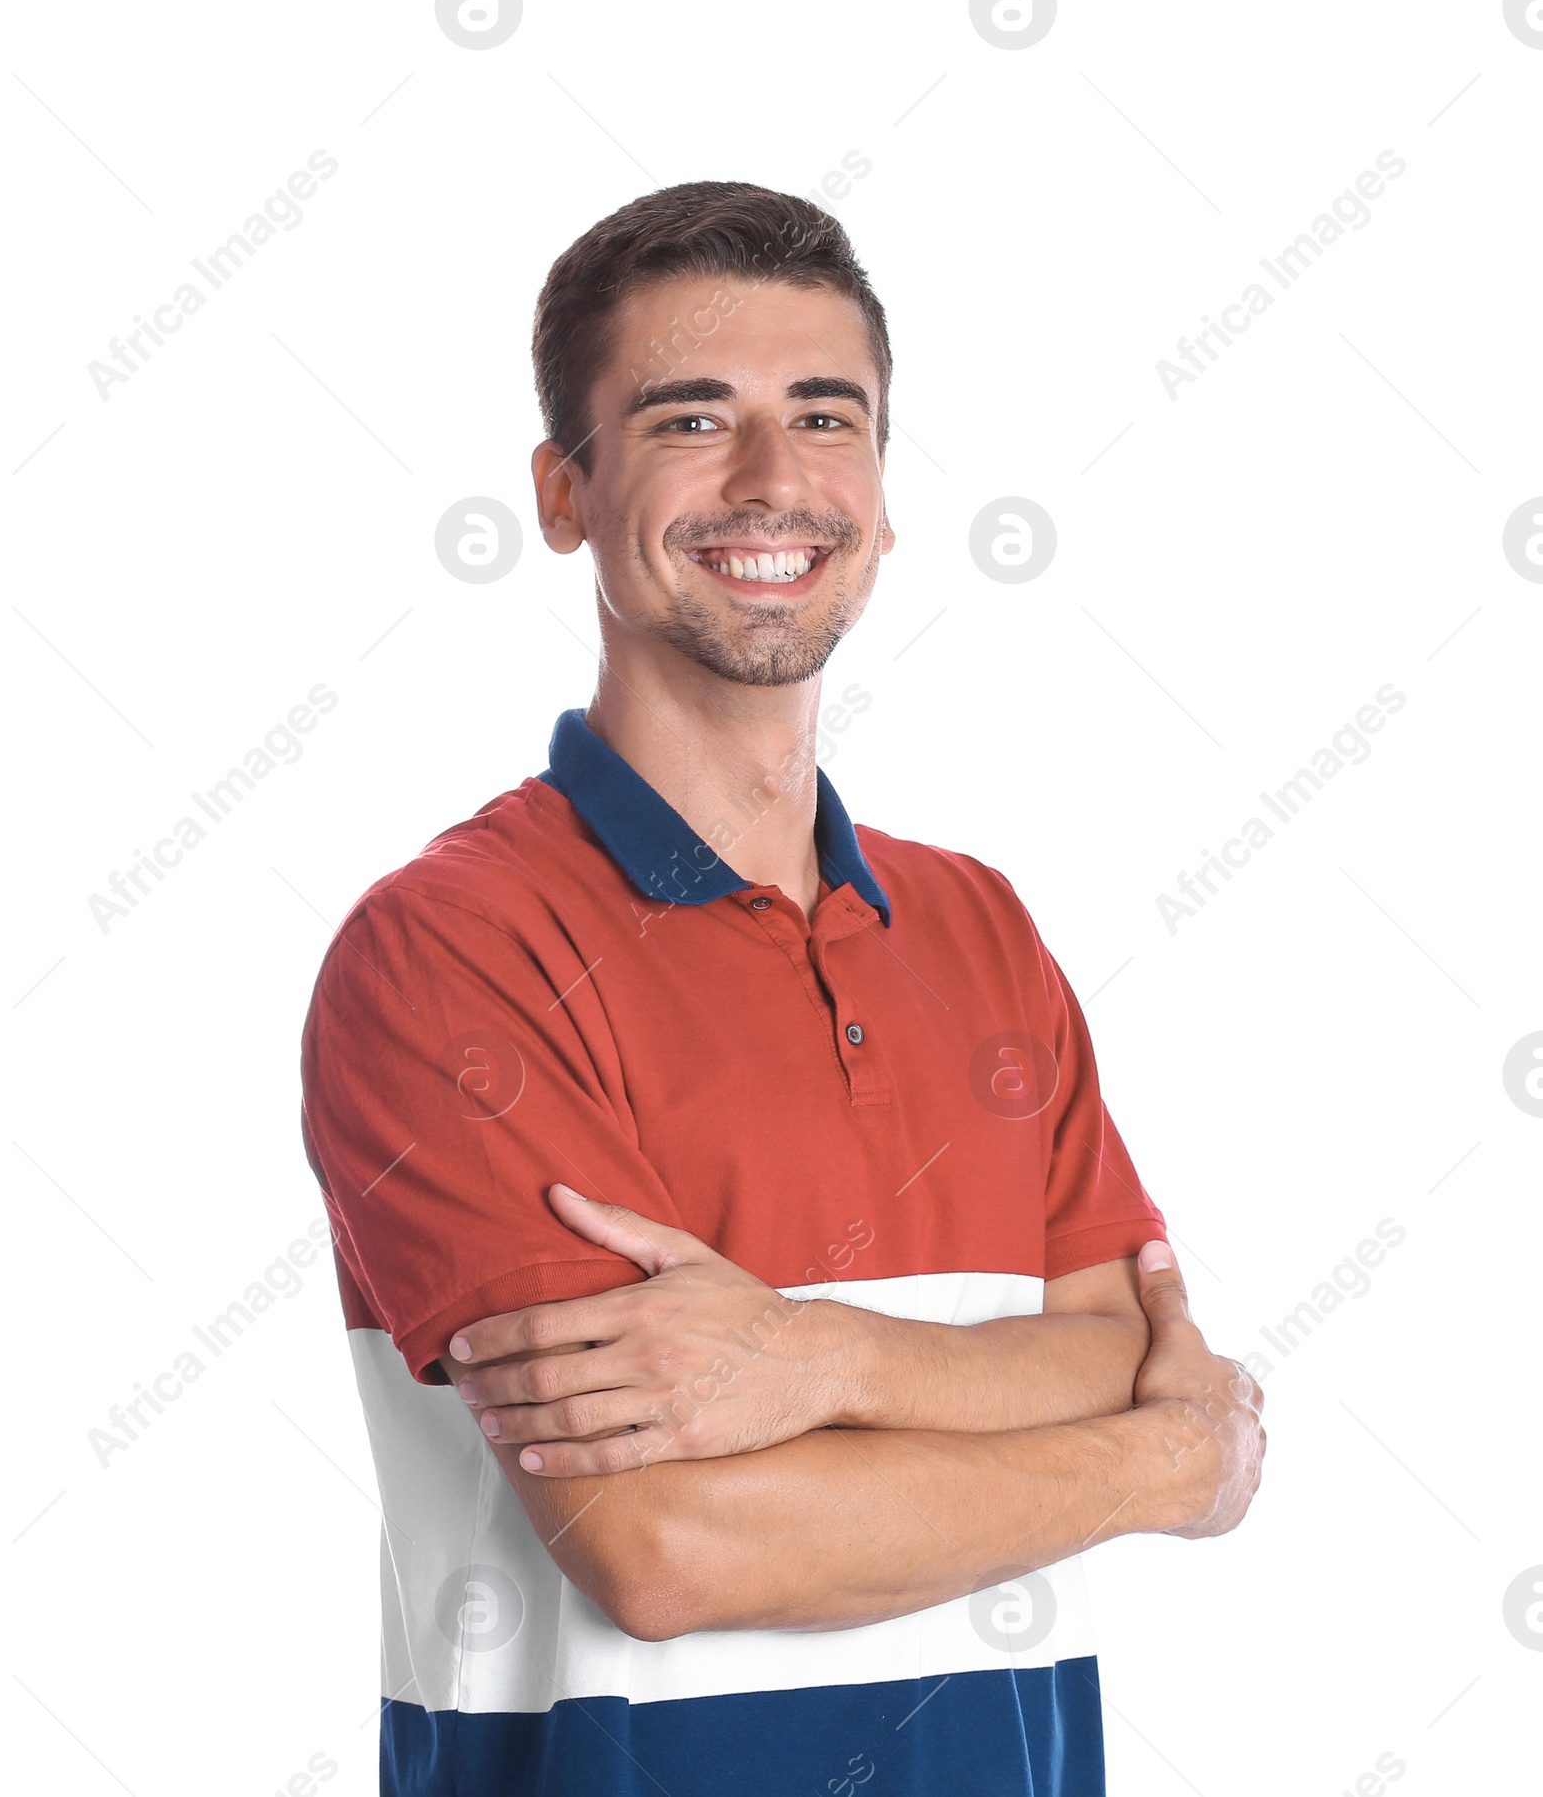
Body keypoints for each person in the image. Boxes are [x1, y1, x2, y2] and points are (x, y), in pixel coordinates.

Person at [299, 179, 1265, 1796]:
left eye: (828, 417)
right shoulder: (451, 948)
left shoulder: (981, 927)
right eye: (692, 416)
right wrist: (1172, 1461)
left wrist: (819, 1363)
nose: (774, 480)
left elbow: (1115, 1336)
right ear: (562, 491)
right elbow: (668, 1545)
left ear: (882, 496)